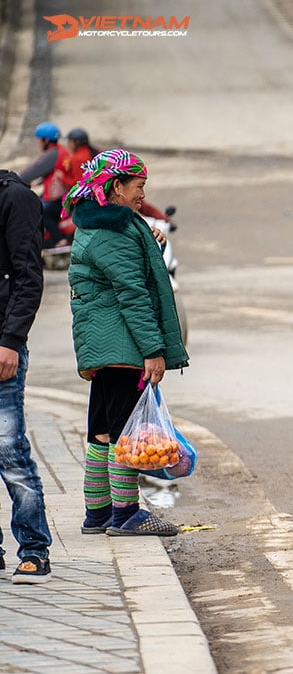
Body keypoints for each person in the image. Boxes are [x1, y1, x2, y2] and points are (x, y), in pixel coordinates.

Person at [64, 149, 188, 537]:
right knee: (123, 432)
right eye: (138, 187)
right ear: (116, 186)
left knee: (101, 429)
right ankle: (126, 514)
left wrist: (145, 235)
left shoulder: (105, 223)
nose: (141, 194)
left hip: (105, 345)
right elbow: (133, 294)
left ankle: (97, 512)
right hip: (121, 344)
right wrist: (153, 351)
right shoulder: (113, 234)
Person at [0, 169, 53, 583]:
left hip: (2, 345)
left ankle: (34, 548)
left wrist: (11, 340)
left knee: (9, 451)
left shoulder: (16, 199)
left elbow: (28, 278)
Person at [19, 121, 73, 249]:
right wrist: (40, 181)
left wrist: (16, 179)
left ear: (46, 140)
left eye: (39, 140)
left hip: (61, 198)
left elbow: (30, 173)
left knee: (39, 211)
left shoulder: (52, 155)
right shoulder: (61, 151)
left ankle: (58, 241)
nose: (38, 142)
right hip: (65, 194)